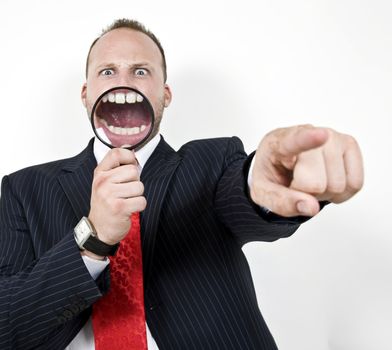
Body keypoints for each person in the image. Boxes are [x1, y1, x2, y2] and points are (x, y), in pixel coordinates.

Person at [0, 19, 363, 350]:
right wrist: (92, 240)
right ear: (85, 93)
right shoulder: (25, 189)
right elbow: (8, 326)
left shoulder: (212, 163)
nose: (124, 81)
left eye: (141, 70)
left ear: (165, 94)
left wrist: (264, 181)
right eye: (108, 70)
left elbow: (243, 192)